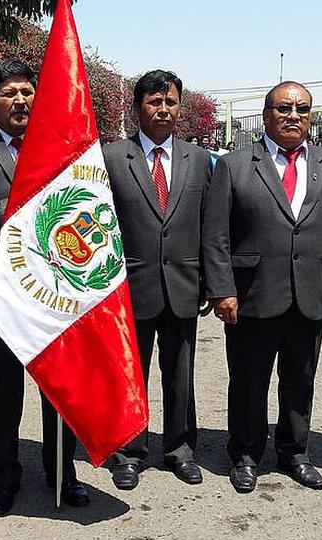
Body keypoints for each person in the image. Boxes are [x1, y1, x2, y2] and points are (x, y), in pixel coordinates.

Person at [0, 58, 89, 516]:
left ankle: (62, 474)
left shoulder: (62, 144)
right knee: (3, 394)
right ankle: (3, 479)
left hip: (57, 293)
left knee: (59, 390)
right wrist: (26, 206)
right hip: (2, 296)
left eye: (27, 92)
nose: (20, 101)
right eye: (9, 93)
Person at [202, 81, 322, 494]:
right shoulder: (234, 165)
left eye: (302, 109)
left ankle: (294, 452)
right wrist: (222, 289)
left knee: (300, 379)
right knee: (249, 380)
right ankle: (246, 453)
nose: (294, 115)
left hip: (311, 293)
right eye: (285, 108)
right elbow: (215, 236)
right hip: (251, 295)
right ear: (267, 113)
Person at [102, 70, 212, 490]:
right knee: (130, 375)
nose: (163, 109)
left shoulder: (199, 160)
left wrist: (210, 283)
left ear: (179, 107)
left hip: (184, 286)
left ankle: (180, 450)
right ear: (137, 108)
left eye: (170, 102)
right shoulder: (112, 158)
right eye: (153, 102)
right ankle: (128, 452)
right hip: (129, 287)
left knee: (181, 373)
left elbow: (210, 225)